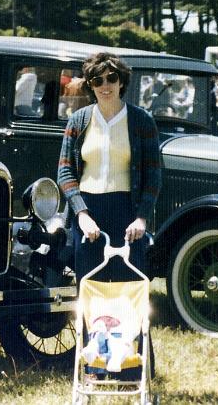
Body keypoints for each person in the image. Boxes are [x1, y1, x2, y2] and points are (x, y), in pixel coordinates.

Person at [58, 52, 161, 379]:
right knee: (92, 290)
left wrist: (142, 218)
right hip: (90, 214)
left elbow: (153, 176)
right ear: (90, 85)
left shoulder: (141, 120)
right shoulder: (79, 121)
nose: (105, 86)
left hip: (127, 214)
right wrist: (81, 213)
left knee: (130, 289)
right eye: (97, 80)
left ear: (122, 82)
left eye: (111, 79)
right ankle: (94, 366)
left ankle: (132, 368)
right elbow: (65, 173)